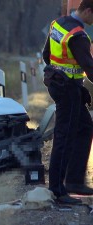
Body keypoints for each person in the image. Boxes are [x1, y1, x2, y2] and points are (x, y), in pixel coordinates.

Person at [42, 0, 93, 204]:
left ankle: (73, 181)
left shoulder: (59, 24)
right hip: (68, 89)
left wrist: (60, 71)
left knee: (84, 127)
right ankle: (57, 190)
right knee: (65, 135)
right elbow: (90, 68)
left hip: (58, 83)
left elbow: (47, 55)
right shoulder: (78, 35)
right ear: (88, 11)